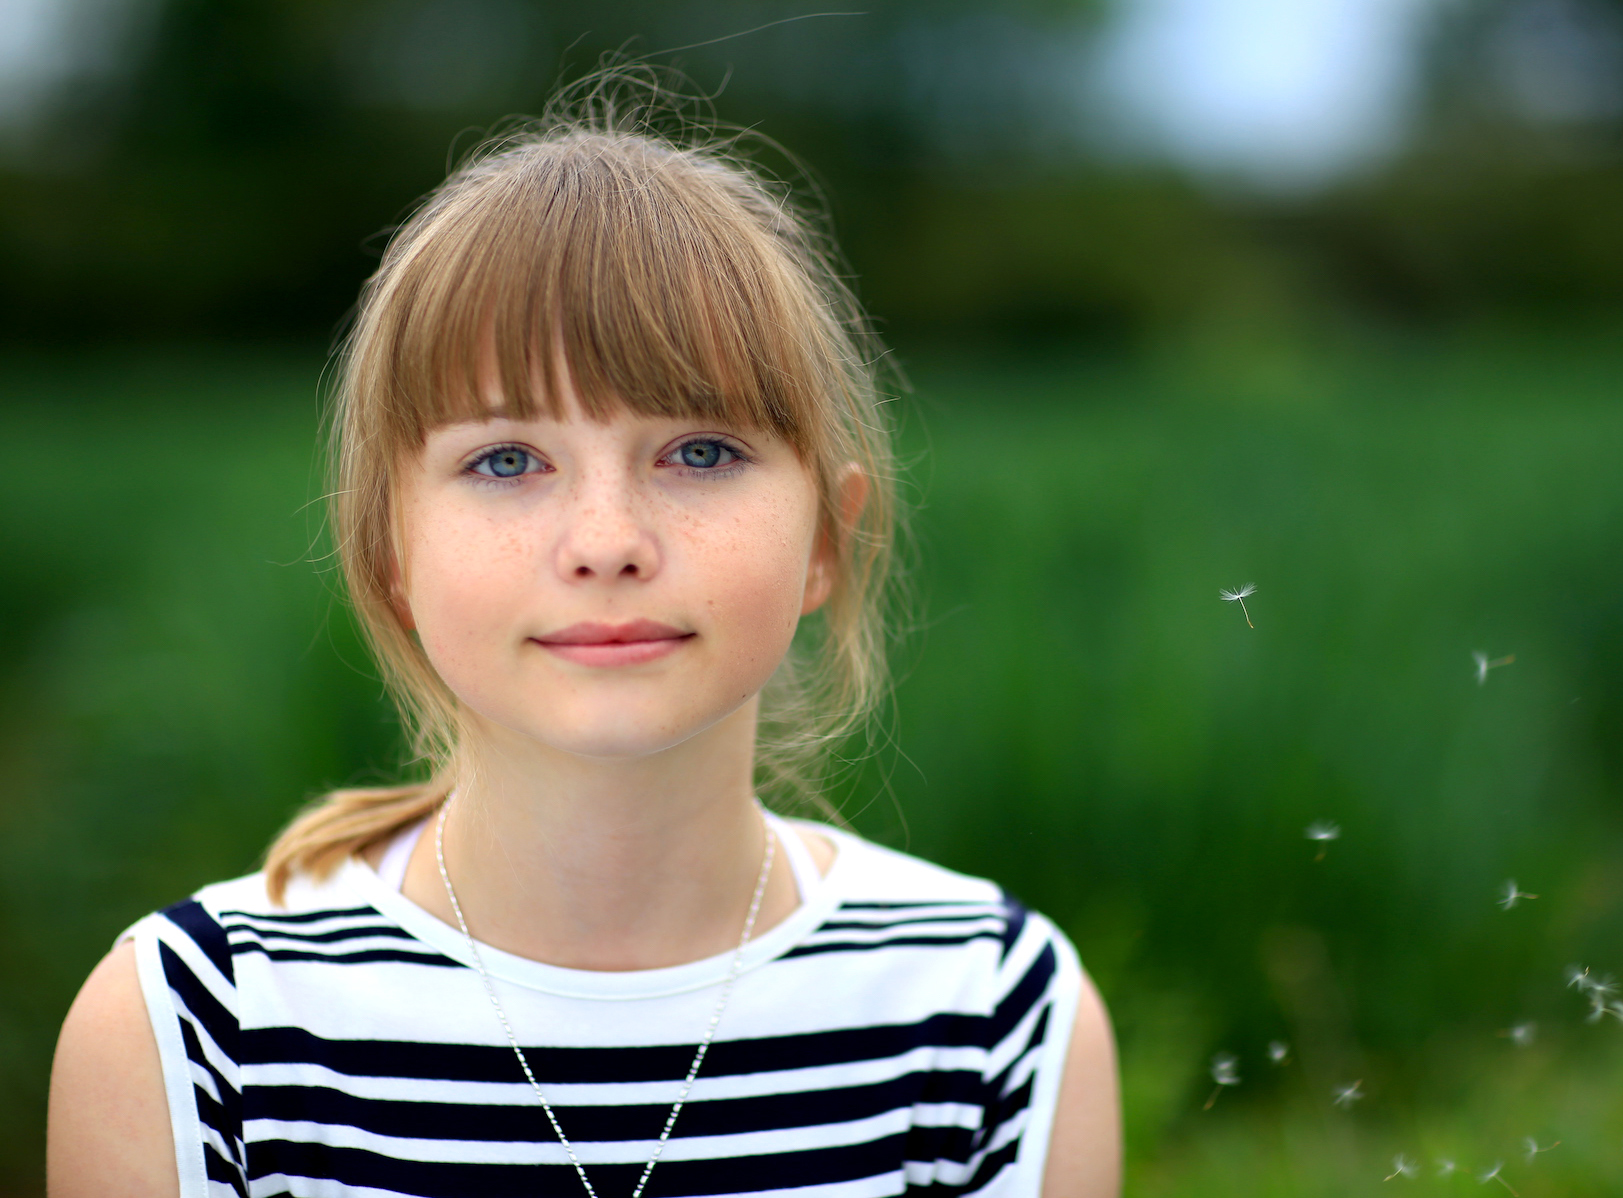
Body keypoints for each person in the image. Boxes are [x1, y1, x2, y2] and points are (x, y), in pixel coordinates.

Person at [46, 87, 1120, 1198]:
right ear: (389, 554)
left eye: (700, 452)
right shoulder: (199, 1027)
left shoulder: (990, 1013)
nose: (607, 543)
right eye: (507, 460)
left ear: (824, 543)